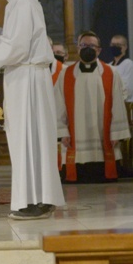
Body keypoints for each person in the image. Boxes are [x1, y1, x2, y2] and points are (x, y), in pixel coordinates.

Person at [0, 0, 65, 220]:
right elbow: (19, 39)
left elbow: (16, 48)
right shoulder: (22, 1)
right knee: (33, 139)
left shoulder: (24, 2)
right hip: (27, 77)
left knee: (27, 139)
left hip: (26, 80)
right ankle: (41, 198)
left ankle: (32, 202)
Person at [55, 31, 131, 183]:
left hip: (103, 138)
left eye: (91, 45)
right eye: (83, 45)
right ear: (77, 48)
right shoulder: (65, 74)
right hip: (74, 139)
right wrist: (62, 132)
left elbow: (117, 104)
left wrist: (116, 133)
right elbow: (58, 104)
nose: (87, 48)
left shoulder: (111, 73)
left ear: (99, 50)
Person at [109, 35, 133, 102]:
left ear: (125, 47)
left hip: (125, 104)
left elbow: (128, 90)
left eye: (118, 44)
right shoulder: (108, 66)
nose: (115, 47)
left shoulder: (128, 64)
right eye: (113, 44)